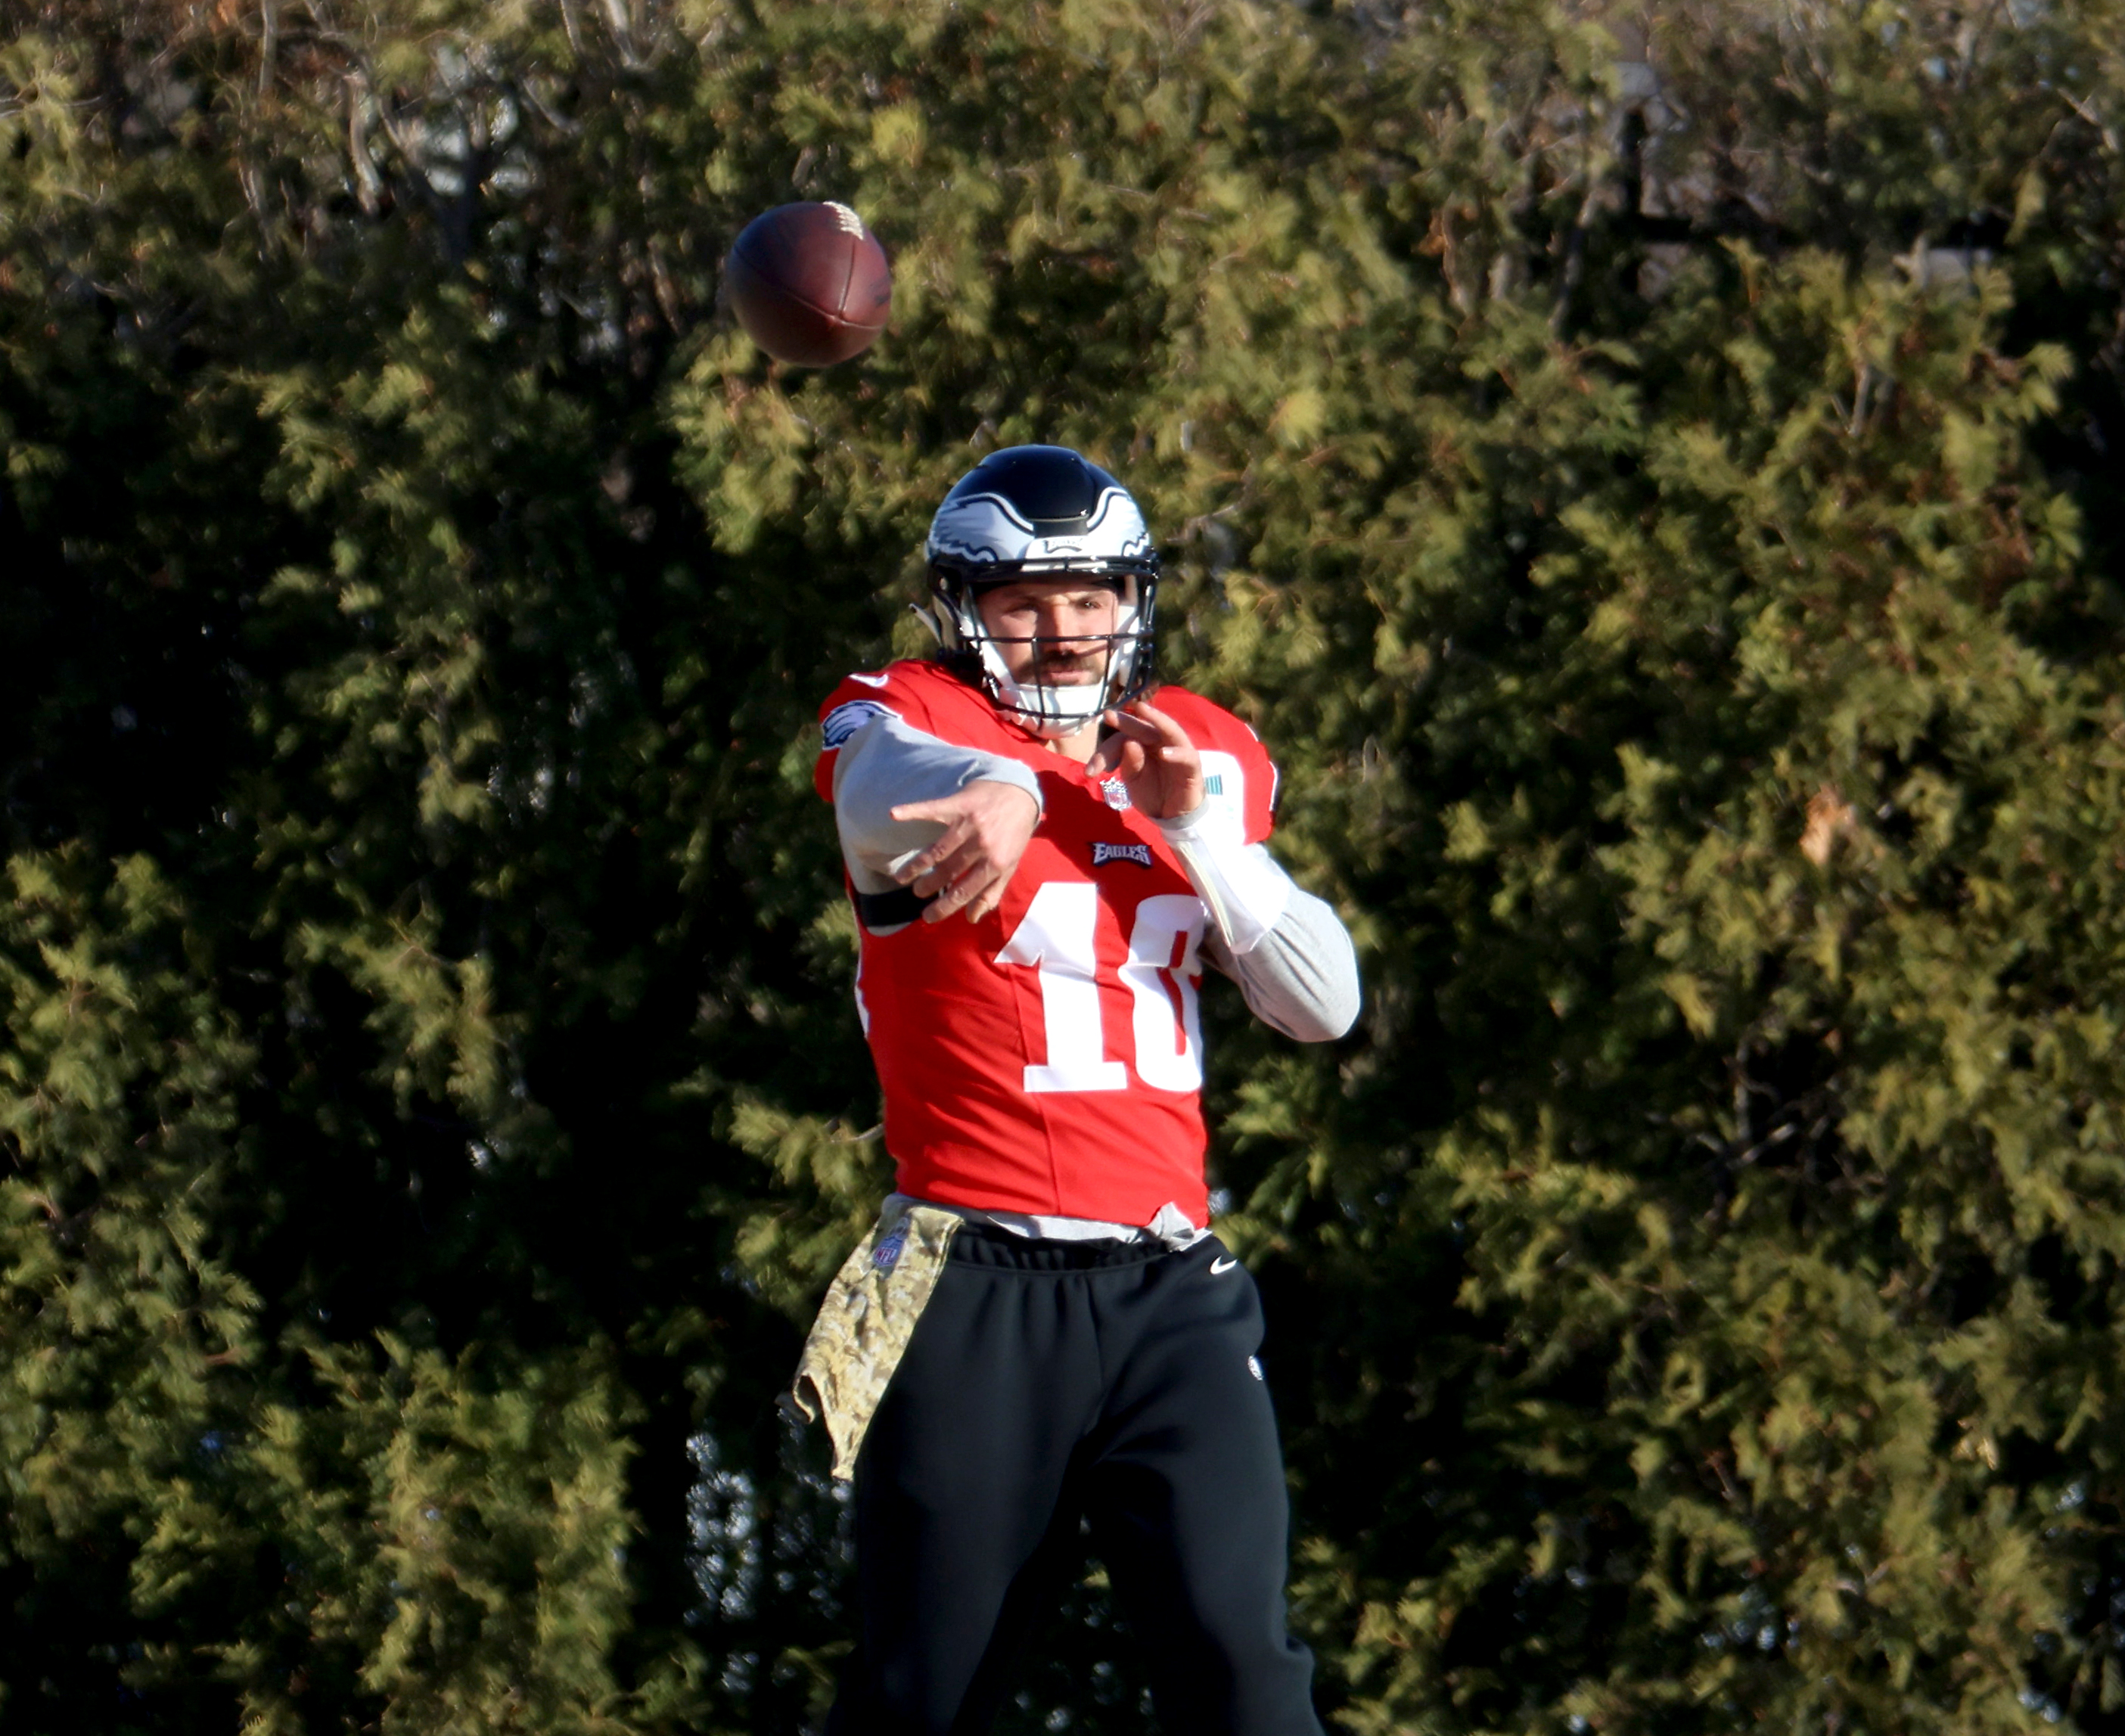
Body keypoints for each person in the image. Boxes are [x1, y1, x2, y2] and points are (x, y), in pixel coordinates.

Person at [794, 445, 1360, 1736]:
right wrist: (991, 784)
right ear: (964, 613)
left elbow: (1322, 1004)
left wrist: (1207, 839)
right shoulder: (915, 721)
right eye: (1022, 603)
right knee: (924, 1698)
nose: (1061, 633)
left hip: (1171, 1288)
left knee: (1246, 1679)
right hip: (964, 1278)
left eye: (1091, 596)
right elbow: (870, 781)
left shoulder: (1195, 754)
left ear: (1133, 603)